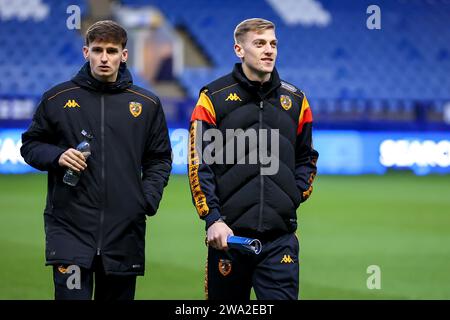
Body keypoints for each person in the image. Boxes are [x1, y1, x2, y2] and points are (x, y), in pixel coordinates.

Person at [20, 20, 172, 300]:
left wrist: (145, 199)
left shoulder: (147, 104)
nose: (104, 58)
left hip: (124, 233)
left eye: (112, 51)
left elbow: (159, 158)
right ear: (85, 52)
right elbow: (30, 145)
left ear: (124, 55)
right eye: (97, 50)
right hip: (70, 229)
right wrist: (58, 155)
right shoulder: (57, 98)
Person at [188, 18, 319, 300]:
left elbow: (307, 157)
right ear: (239, 49)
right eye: (259, 44)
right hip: (229, 239)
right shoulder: (213, 98)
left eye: (273, 44)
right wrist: (212, 218)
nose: (268, 50)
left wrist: (293, 195)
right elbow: (199, 163)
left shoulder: (296, 100)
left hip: (280, 241)